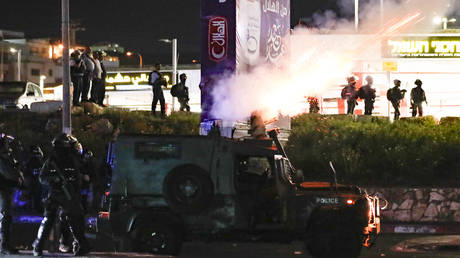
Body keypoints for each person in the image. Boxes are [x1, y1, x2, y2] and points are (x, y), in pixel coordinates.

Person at [32, 133, 90, 256]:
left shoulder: (74, 159)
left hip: (70, 194)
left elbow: (82, 176)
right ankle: (38, 245)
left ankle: (82, 245)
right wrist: (55, 179)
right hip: (56, 193)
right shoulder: (53, 161)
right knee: (49, 219)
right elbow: (42, 178)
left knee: (75, 219)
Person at [0, 133, 23, 255]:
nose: (8, 146)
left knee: (5, 217)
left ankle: (5, 244)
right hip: (2, 191)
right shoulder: (2, 160)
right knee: (5, 217)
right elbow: (11, 174)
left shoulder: (6, 158)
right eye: (6, 144)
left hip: (6, 190)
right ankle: (4, 245)